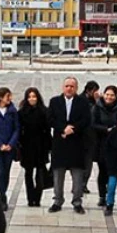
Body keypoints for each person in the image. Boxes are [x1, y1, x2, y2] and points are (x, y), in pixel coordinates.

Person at [47, 77, 91, 214]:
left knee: (77, 176)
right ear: (63, 87)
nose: (69, 88)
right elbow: (50, 119)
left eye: (72, 86)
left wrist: (73, 129)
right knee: (58, 176)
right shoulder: (54, 101)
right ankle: (57, 201)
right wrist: (63, 129)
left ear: (76, 88)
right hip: (59, 144)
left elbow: (86, 120)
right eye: (67, 86)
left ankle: (77, 202)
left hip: (76, 143)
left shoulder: (83, 102)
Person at [92, 86, 117, 209]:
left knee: (113, 171)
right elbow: (93, 124)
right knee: (103, 171)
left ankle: (111, 197)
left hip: (116, 144)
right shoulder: (97, 107)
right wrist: (106, 130)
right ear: (103, 94)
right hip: (101, 143)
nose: (109, 97)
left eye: (112, 95)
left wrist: (116, 130)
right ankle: (102, 196)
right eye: (107, 94)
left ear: (116, 96)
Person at [17, 87, 52, 208]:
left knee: (40, 172)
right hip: (27, 146)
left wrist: (49, 146)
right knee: (28, 172)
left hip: (41, 145)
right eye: (29, 97)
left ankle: (37, 198)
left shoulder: (44, 111)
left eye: (34, 96)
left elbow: (48, 130)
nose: (32, 99)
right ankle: (30, 198)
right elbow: (19, 130)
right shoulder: (21, 112)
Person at [81, 81, 101, 194]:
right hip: (83, 136)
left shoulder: (96, 101)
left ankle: (83, 184)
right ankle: (80, 184)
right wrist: (98, 102)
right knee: (81, 164)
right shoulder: (81, 100)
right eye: (95, 91)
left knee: (88, 163)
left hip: (93, 137)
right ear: (89, 90)